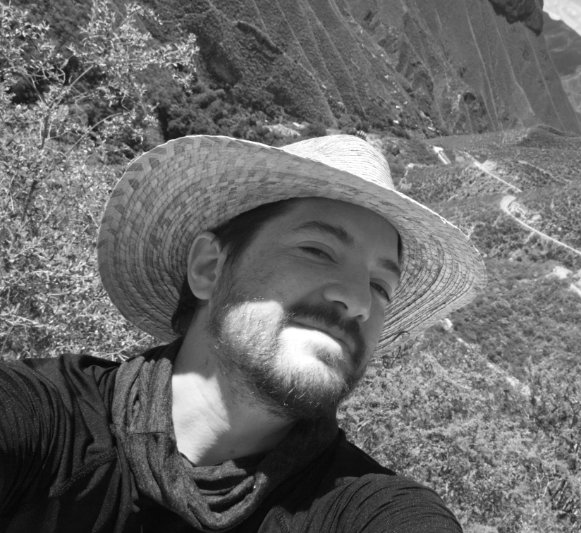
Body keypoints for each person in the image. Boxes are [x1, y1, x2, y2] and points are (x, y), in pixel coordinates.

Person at [0, 134, 485, 532]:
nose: (359, 300)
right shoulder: (51, 426)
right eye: (317, 250)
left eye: (380, 286)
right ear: (209, 268)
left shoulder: (365, 509)